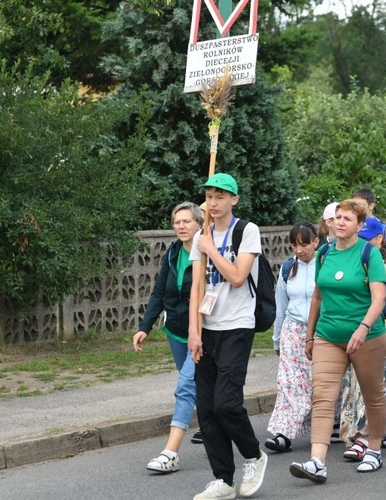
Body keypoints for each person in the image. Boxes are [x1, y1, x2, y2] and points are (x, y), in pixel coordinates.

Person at [290, 199, 386, 484]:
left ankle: (374, 448)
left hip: (367, 337)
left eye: (348, 219)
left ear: (360, 225)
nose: (341, 222)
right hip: (328, 336)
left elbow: (379, 298)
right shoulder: (324, 253)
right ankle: (317, 461)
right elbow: (318, 297)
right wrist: (310, 335)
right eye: (338, 217)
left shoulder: (369, 254)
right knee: (322, 396)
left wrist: (362, 328)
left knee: (373, 395)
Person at [188, 173, 267, 499]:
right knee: (206, 409)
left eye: (220, 196)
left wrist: (211, 248)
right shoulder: (200, 236)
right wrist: (193, 330)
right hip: (208, 329)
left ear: (234, 199)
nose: (213, 202)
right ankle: (223, 478)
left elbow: (236, 276)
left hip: (237, 326)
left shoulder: (246, 231)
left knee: (226, 404)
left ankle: (254, 456)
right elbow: (197, 287)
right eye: (209, 196)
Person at [133, 202, 203, 473]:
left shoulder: (206, 252)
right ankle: (214, 428)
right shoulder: (172, 253)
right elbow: (159, 293)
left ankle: (170, 453)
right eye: (177, 222)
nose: (181, 226)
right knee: (199, 387)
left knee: (185, 386)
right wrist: (144, 327)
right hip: (175, 331)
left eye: (187, 221)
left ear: (199, 224)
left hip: (202, 333)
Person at [339, 217, 386, 453]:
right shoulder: (352, 259)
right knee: (360, 386)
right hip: (356, 334)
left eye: (367, 239)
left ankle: (363, 438)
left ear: (380, 239)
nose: (362, 243)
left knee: (374, 385)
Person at [265, 222, 320, 453]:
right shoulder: (289, 268)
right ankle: (283, 433)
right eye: (295, 245)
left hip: (321, 331)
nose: (299, 250)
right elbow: (281, 305)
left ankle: (332, 424)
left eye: (304, 244)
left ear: (316, 242)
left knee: (320, 382)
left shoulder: (325, 265)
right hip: (293, 330)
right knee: (290, 383)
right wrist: (277, 338)